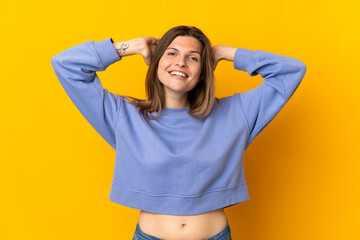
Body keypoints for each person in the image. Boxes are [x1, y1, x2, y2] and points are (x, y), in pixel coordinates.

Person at [51, 25, 306, 240]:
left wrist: (225, 53)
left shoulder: (235, 113)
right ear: (157, 61)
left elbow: (291, 71)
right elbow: (66, 65)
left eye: (193, 57)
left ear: (203, 71)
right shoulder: (124, 115)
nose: (180, 62)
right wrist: (134, 46)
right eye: (171, 53)